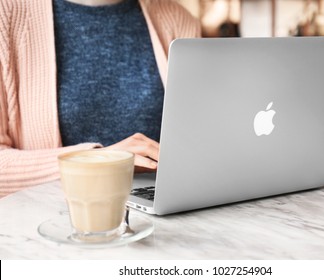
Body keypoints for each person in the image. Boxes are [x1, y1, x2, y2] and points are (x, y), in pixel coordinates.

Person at [0, 0, 200, 197]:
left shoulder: (177, 20)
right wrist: (97, 161)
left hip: (164, 212)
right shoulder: (7, 15)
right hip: (50, 219)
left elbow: (197, 142)